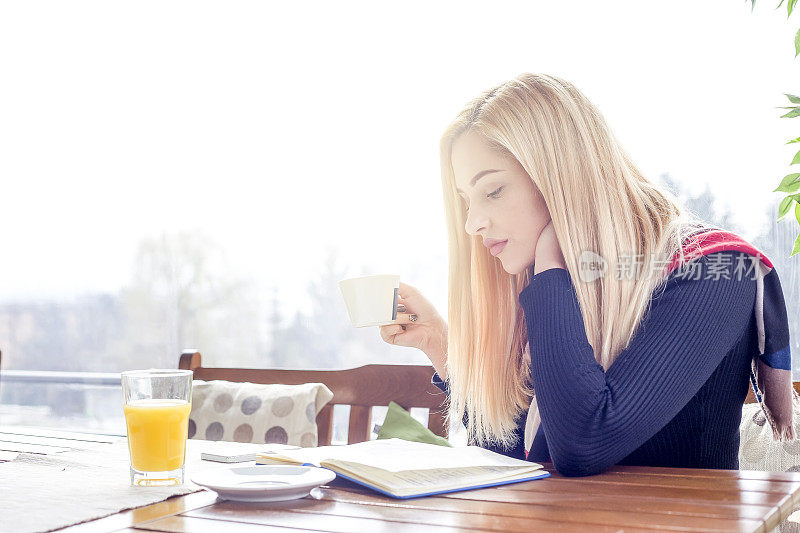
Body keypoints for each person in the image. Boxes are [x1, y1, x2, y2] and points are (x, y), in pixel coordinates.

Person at [378, 73, 795, 477]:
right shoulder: (556, 286)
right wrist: (440, 343)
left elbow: (583, 445)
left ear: (561, 178)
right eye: (466, 200)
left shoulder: (714, 273)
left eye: (493, 190)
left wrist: (550, 260)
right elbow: (511, 454)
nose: (472, 224)